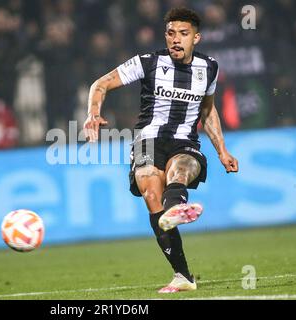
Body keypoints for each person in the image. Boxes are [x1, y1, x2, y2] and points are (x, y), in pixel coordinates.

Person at [83, 7, 238, 293]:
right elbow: (101, 84)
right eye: (170, 33)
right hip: (147, 139)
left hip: (185, 141)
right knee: (151, 191)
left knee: (179, 170)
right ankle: (183, 275)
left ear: (197, 38)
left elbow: (207, 110)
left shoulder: (210, 68)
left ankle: (175, 207)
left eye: (183, 34)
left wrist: (222, 151)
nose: (176, 40)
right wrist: (93, 113)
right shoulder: (148, 62)